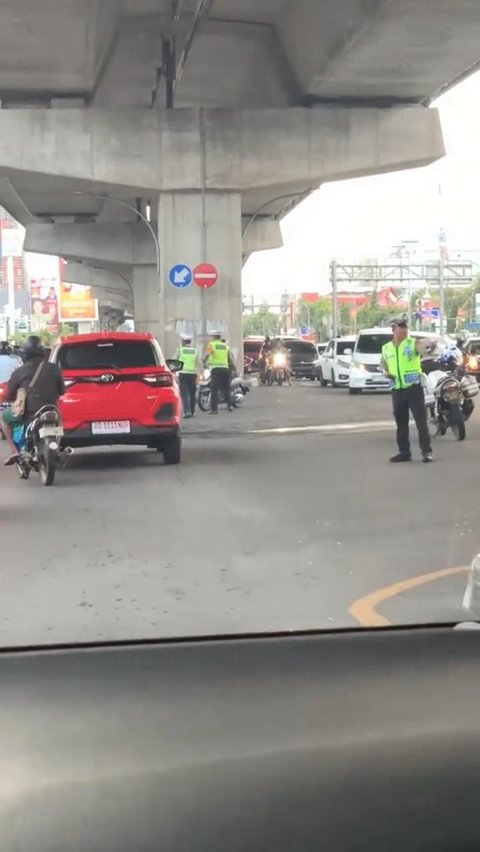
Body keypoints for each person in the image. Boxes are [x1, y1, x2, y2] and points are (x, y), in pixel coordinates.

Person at [1, 335, 65, 465]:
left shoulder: (19, 371)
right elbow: (62, 391)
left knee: (3, 418)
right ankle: (57, 448)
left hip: (29, 412)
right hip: (51, 408)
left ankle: (14, 451)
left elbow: (8, 395)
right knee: (59, 422)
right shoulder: (54, 368)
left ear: (24, 354)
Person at [381, 317, 433, 463]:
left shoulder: (412, 343)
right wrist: (385, 371)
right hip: (397, 388)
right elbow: (383, 363)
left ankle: (426, 451)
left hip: (413, 388)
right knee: (401, 423)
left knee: (421, 422)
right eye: (400, 326)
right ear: (393, 329)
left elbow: (423, 350)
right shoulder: (386, 348)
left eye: (405, 326)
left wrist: (426, 345)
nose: (404, 329)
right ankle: (404, 452)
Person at [204, 331, 232, 414]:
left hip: (215, 369)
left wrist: (204, 363)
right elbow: (229, 358)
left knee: (214, 389)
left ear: (213, 337)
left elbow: (207, 355)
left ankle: (214, 409)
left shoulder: (211, 344)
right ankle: (230, 405)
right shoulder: (225, 345)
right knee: (226, 388)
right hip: (225, 368)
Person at [175, 335, 200, 419]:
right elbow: (199, 362)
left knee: (185, 394)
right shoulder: (195, 351)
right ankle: (193, 411)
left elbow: (174, 360)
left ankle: (187, 412)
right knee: (192, 393)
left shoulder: (180, 350)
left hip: (183, 374)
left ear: (183, 342)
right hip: (193, 374)